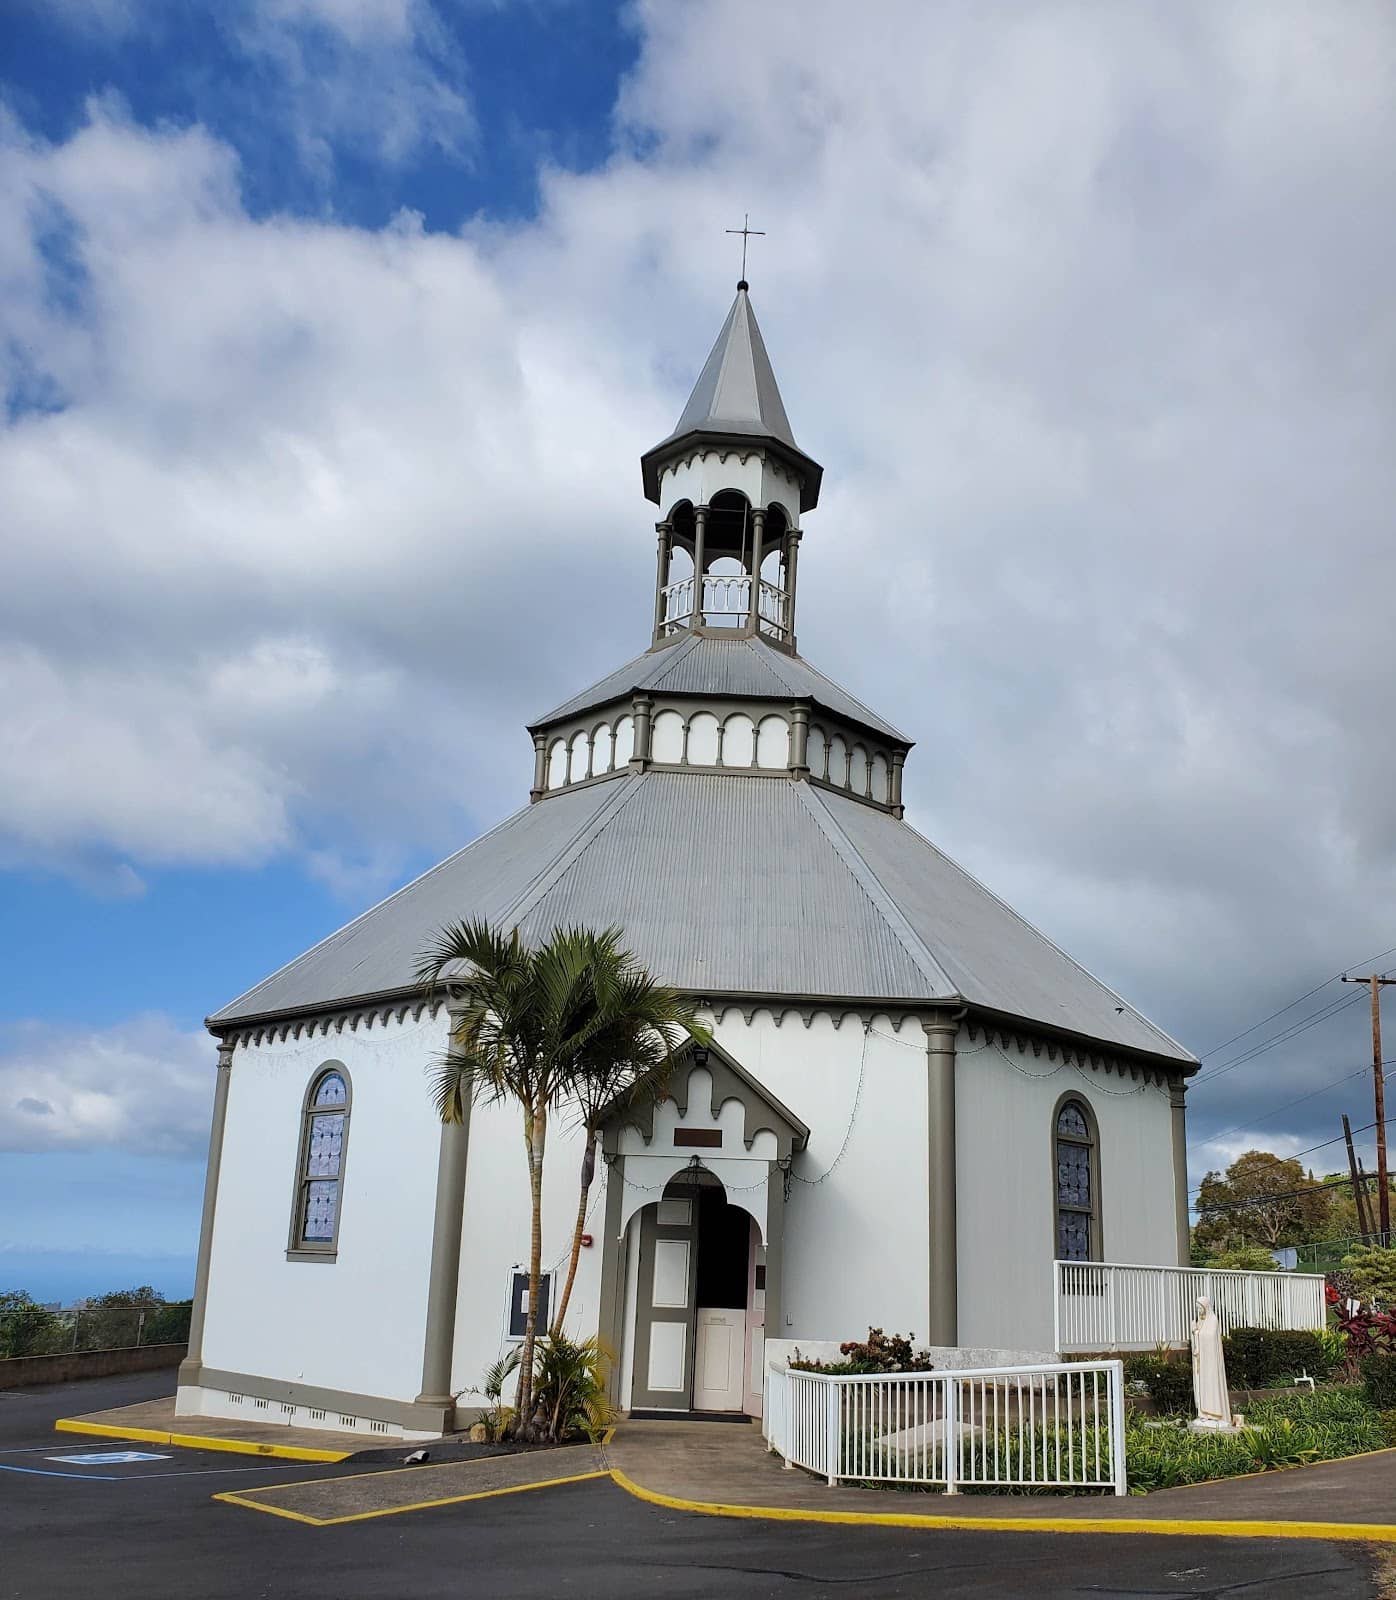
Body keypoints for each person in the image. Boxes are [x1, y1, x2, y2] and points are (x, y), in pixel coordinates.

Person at [1190, 1295, 1232, 1426]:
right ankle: (1204, 1413)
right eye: (1197, 1308)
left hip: (1211, 1362)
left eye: (1199, 1307)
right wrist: (1195, 1331)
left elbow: (1209, 1336)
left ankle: (1214, 1413)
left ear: (1205, 1307)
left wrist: (1197, 1333)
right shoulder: (1201, 1320)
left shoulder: (1213, 1319)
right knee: (1203, 1386)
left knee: (1211, 1386)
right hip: (1202, 1361)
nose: (1198, 1310)